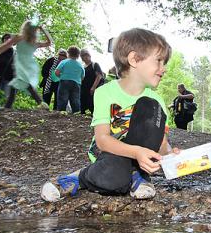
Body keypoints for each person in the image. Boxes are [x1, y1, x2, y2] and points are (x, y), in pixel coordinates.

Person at [42, 28, 179, 201]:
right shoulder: (105, 92)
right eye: (158, 61)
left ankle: (139, 174)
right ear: (134, 59)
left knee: (149, 105)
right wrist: (136, 152)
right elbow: (103, 140)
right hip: (109, 154)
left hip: (138, 158)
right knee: (114, 178)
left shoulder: (157, 101)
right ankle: (80, 177)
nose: (163, 68)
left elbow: (162, 142)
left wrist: (168, 155)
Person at [0, 20, 53, 109]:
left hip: (21, 65)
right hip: (28, 65)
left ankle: (41, 103)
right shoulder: (33, 42)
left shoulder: (20, 38)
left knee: (23, 84)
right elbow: (49, 42)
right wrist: (43, 30)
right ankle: (8, 107)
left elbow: (4, 46)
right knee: (15, 85)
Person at [55, 46, 84, 113]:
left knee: (63, 98)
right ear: (78, 55)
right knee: (75, 99)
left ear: (68, 53)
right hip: (76, 83)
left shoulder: (64, 62)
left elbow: (56, 72)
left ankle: (61, 113)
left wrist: (61, 77)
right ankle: (76, 113)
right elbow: (82, 77)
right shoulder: (80, 65)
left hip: (64, 81)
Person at [79, 48, 104, 114]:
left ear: (89, 56)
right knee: (82, 105)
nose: (85, 57)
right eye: (83, 56)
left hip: (92, 88)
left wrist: (93, 87)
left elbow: (99, 76)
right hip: (84, 89)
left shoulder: (95, 64)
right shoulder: (83, 67)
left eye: (86, 55)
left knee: (92, 105)